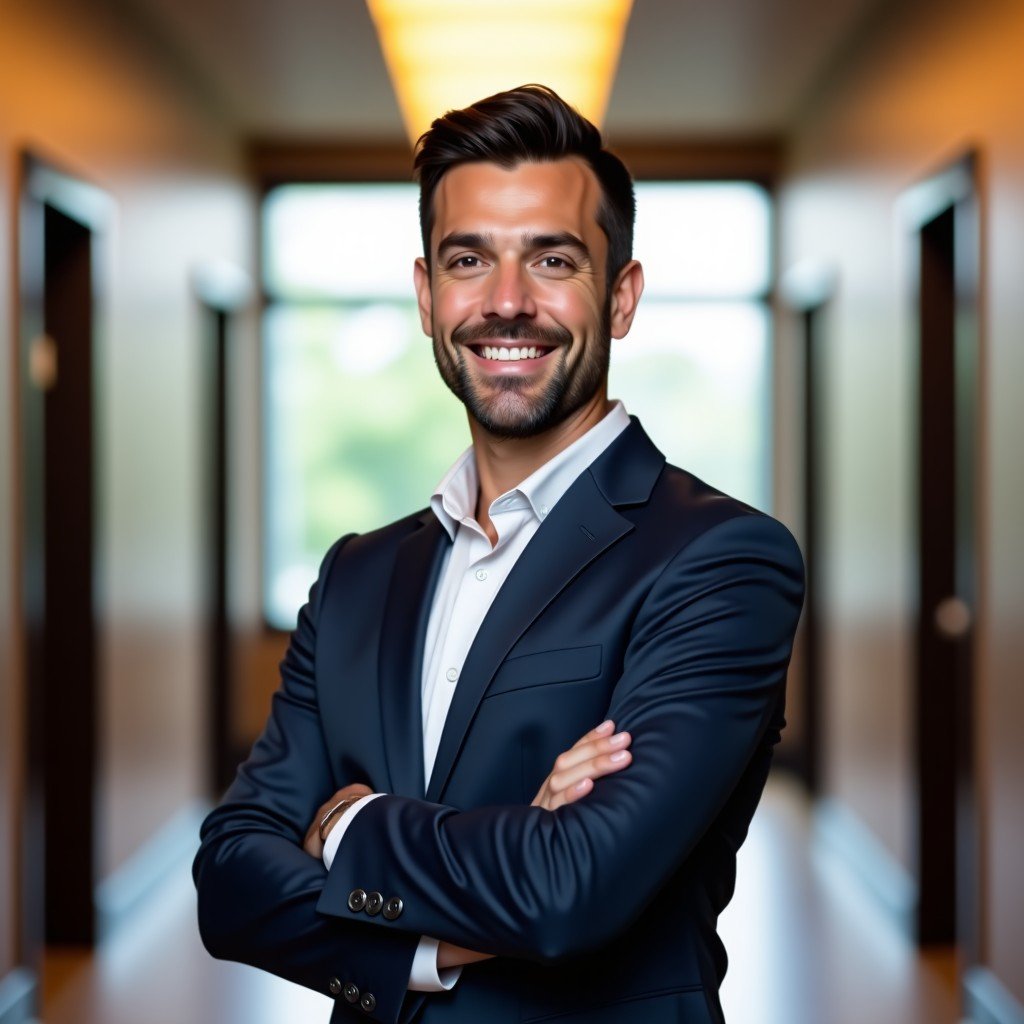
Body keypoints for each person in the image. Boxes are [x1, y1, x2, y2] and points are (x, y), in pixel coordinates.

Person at [194, 84, 804, 1024]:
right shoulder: (358, 575)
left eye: (553, 259)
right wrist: (446, 930)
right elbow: (231, 876)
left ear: (623, 294)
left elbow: (575, 890)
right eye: (468, 260)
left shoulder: (722, 559)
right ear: (428, 295)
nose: (506, 303)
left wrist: (346, 824)